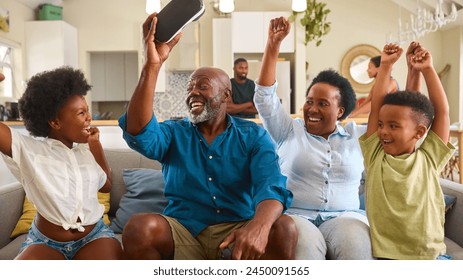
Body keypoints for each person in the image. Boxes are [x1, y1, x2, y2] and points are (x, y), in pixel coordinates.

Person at [118, 13, 296, 260]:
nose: (193, 93)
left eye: (202, 86)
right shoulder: (174, 132)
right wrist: (153, 65)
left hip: (237, 229)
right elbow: (138, 131)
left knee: (284, 228)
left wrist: (259, 226)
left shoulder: (253, 135)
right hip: (185, 230)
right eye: (190, 87)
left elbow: (271, 186)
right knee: (139, 228)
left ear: (225, 95)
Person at [254, 17, 372, 259]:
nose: (312, 109)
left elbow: (388, 118)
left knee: (356, 245)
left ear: (340, 111)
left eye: (322, 103)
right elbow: (264, 98)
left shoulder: (357, 136)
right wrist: (273, 45)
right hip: (297, 215)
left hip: (346, 216)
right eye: (309, 101)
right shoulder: (288, 130)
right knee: (303, 246)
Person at [0, 67, 122, 260]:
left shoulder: (87, 149)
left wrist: (95, 145)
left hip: (94, 237)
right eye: (81, 113)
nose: (89, 118)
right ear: (55, 123)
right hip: (45, 242)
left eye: (87, 111)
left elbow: (106, 186)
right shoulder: (30, 151)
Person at [359, 42, 454, 259]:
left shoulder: (429, 158)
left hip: (429, 257)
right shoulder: (375, 155)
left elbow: (442, 113)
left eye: (393, 126)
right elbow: (376, 108)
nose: (383, 131)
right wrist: (385, 66)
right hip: (385, 258)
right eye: (382, 124)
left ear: (419, 132)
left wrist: (427, 70)